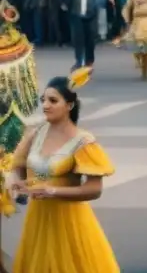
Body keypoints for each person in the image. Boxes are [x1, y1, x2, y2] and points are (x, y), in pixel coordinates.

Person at [10, 69, 120, 272]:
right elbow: (19, 166)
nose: (45, 105)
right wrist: (19, 181)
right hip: (39, 220)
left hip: (70, 221)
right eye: (43, 100)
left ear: (69, 105)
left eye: (53, 101)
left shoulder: (83, 141)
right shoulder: (36, 133)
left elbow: (94, 189)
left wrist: (52, 191)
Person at [65, 0, 104, 71]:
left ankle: (89, 61)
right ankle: (79, 61)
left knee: (90, 40)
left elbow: (101, 0)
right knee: (78, 40)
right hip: (77, 15)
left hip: (91, 16)